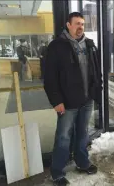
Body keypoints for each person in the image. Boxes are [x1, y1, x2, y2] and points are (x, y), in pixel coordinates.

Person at [44, 12, 102, 186]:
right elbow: (49, 77)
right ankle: (57, 172)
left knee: (83, 133)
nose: (80, 27)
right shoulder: (56, 46)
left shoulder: (90, 45)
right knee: (63, 137)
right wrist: (56, 101)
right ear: (68, 25)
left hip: (86, 100)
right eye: (77, 24)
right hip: (67, 102)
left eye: (82, 24)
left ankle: (82, 162)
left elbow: (96, 71)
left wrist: (96, 92)